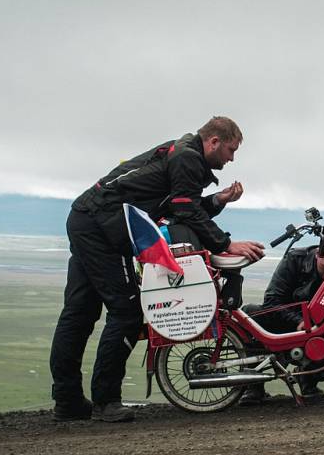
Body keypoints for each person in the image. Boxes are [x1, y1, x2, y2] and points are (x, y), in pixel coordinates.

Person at [49, 116, 264, 422]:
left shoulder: (182, 153)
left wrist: (217, 199)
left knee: (79, 312)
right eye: (230, 150)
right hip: (100, 228)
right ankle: (105, 401)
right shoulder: (188, 158)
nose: (231, 158)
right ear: (214, 142)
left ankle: (67, 401)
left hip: (88, 219)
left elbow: (181, 204)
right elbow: (185, 210)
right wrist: (225, 244)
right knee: (126, 312)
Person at [240, 230, 324, 404]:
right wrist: (299, 321)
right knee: (250, 315)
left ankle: (307, 379)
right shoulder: (295, 259)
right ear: (319, 252)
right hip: (284, 323)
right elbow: (272, 301)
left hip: (321, 332)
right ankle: (253, 386)